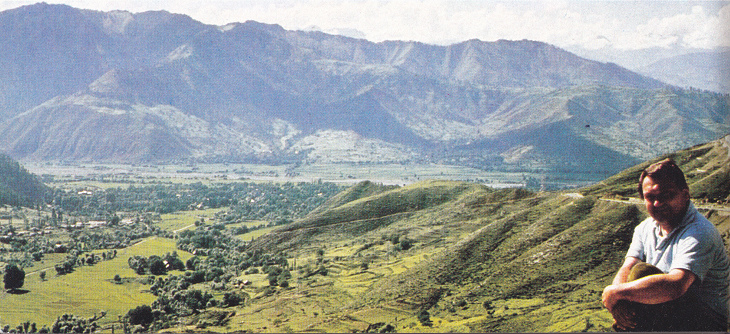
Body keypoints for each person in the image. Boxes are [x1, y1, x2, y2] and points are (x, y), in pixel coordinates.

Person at [602, 158, 730, 331]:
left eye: (666, 195)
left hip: (705, 322)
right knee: (633, 275)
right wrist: (617, 300)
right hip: (668, 312)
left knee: (641, 273)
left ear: (685, 195)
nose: (657, 203)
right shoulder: (644, 228)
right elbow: (628, 266)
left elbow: (676, 285)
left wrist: (617, 293)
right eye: (650, 197)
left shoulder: (699, 232)